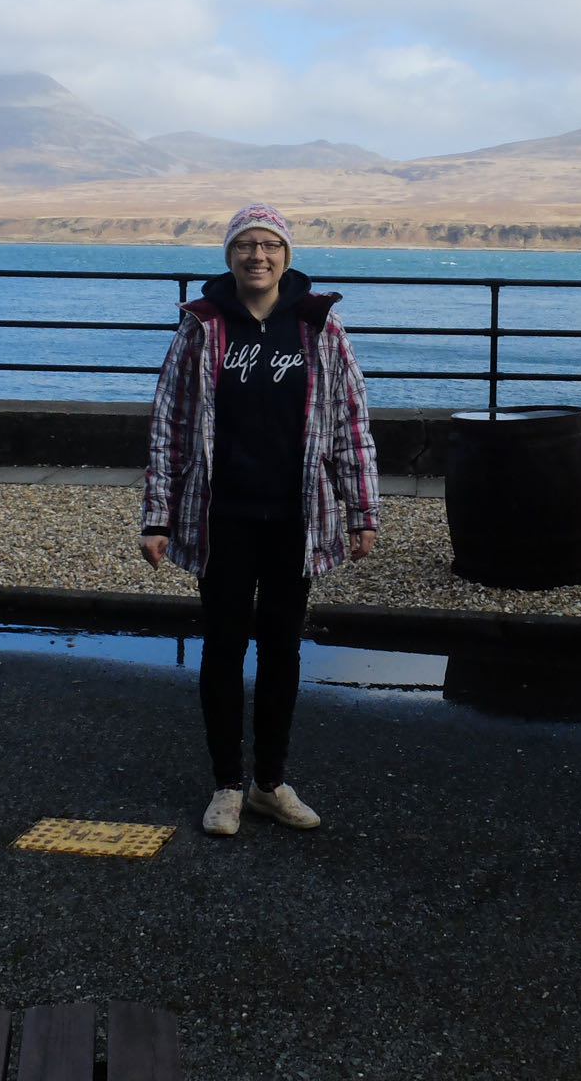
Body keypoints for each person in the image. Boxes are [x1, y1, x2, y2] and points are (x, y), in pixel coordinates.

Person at [140, 203, 379, 837]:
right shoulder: (203, 326)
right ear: (229, 256)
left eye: (270, 245)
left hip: (295, 518)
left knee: (281, 649)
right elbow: (171, 423)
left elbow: (352, 422)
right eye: (245, 245)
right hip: (223, 517)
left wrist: (361, 510)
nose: (258, 256)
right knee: (222, 648)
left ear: (287, 256)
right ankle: (225, 785)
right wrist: (156, 516)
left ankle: (270, 783)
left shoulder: (319, 328)